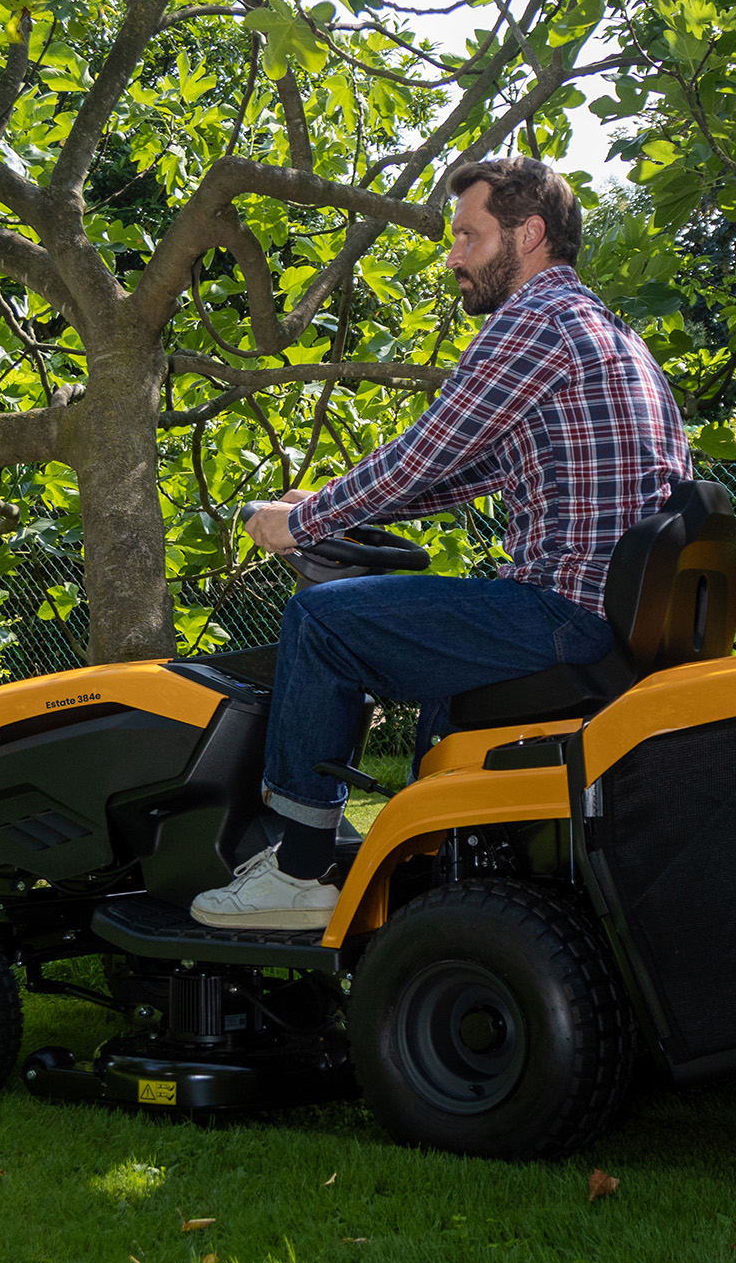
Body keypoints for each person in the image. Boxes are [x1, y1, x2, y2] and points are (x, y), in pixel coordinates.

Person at [190, 155, 692, 930]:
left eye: (467, 236)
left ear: (529, 234)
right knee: (437, 675)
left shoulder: (535, 321)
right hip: (609, 616)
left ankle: (299, 871)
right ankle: (435, 876)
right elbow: (470, 471)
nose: (452, 256)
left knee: (323, 623)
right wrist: (328, 505)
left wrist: (301, 525)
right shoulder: (603, 326)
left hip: (566, 613)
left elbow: (423, 454)